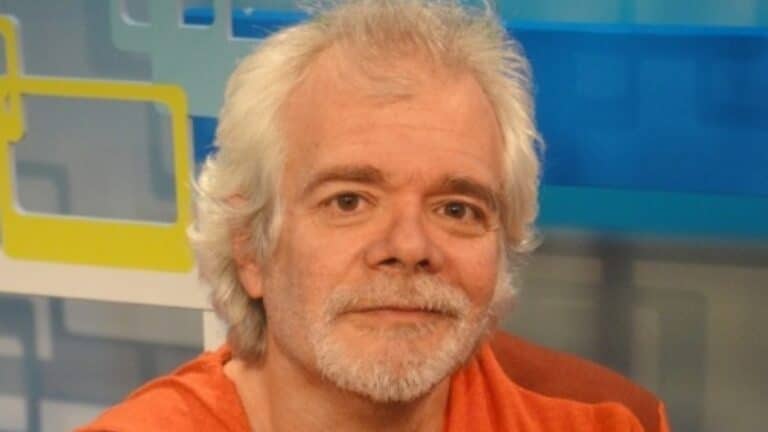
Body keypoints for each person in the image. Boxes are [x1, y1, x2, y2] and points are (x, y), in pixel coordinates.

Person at [80, 1, 669, 431]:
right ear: (250, 248)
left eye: (457, 209)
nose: (409, 246)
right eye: (349, 201)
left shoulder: (605, 421)